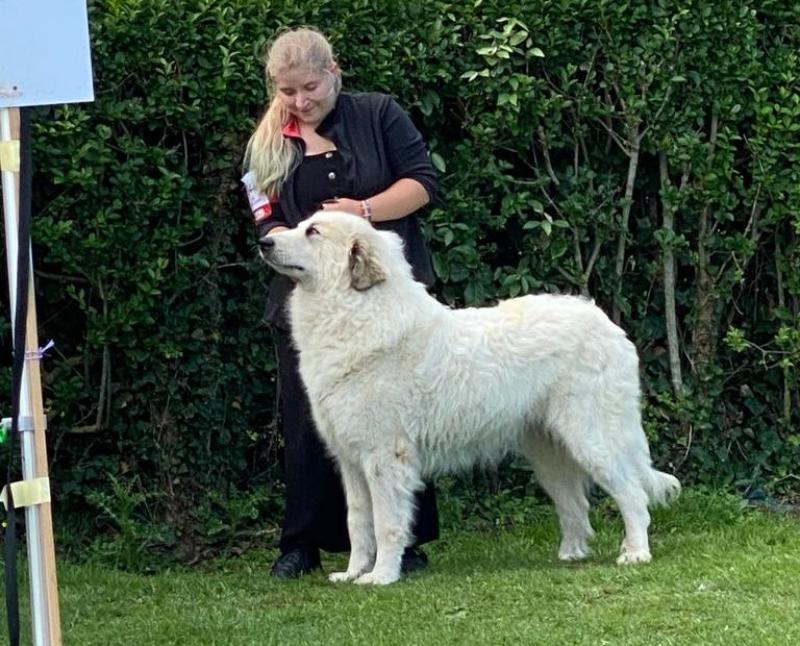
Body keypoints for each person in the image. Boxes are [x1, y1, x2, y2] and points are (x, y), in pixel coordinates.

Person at [242, 27, 439, 579]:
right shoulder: (264, 146)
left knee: (398, 425)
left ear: (334, 73)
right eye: (287, 91)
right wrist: (286, 245)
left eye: (310, 87)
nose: (300, 101)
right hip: (309, 308)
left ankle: (406, 543)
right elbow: (265, 219)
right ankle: (302, 543)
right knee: (309, 428)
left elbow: (422, 184)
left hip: (388, 300)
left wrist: (362, 212)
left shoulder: (379, 114)